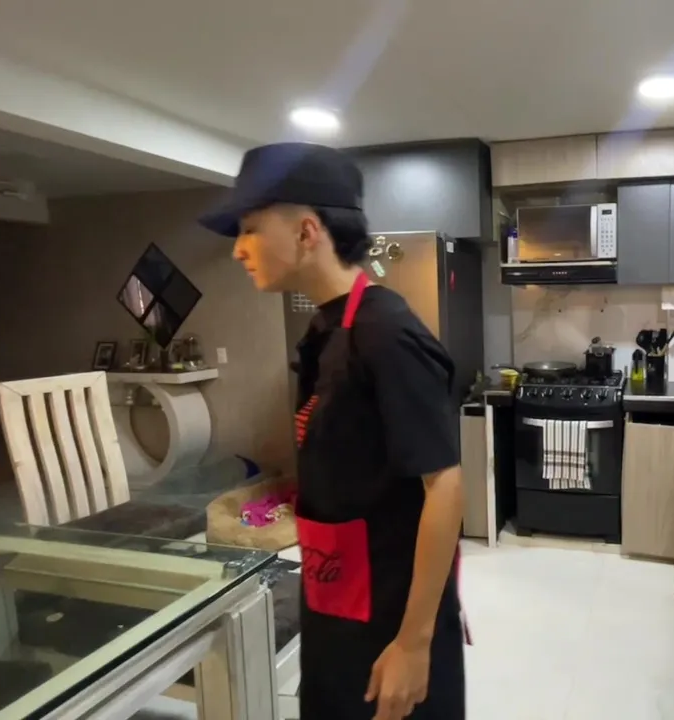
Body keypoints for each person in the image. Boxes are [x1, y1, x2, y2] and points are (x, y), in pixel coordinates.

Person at [199, 143, 467, 719]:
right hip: (335, 603)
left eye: (250, 229)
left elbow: (444, 487)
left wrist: (416, 640)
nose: (238, 249)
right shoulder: (324, 329)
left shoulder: (387, 335)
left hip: (390, 620)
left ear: (306, 232)